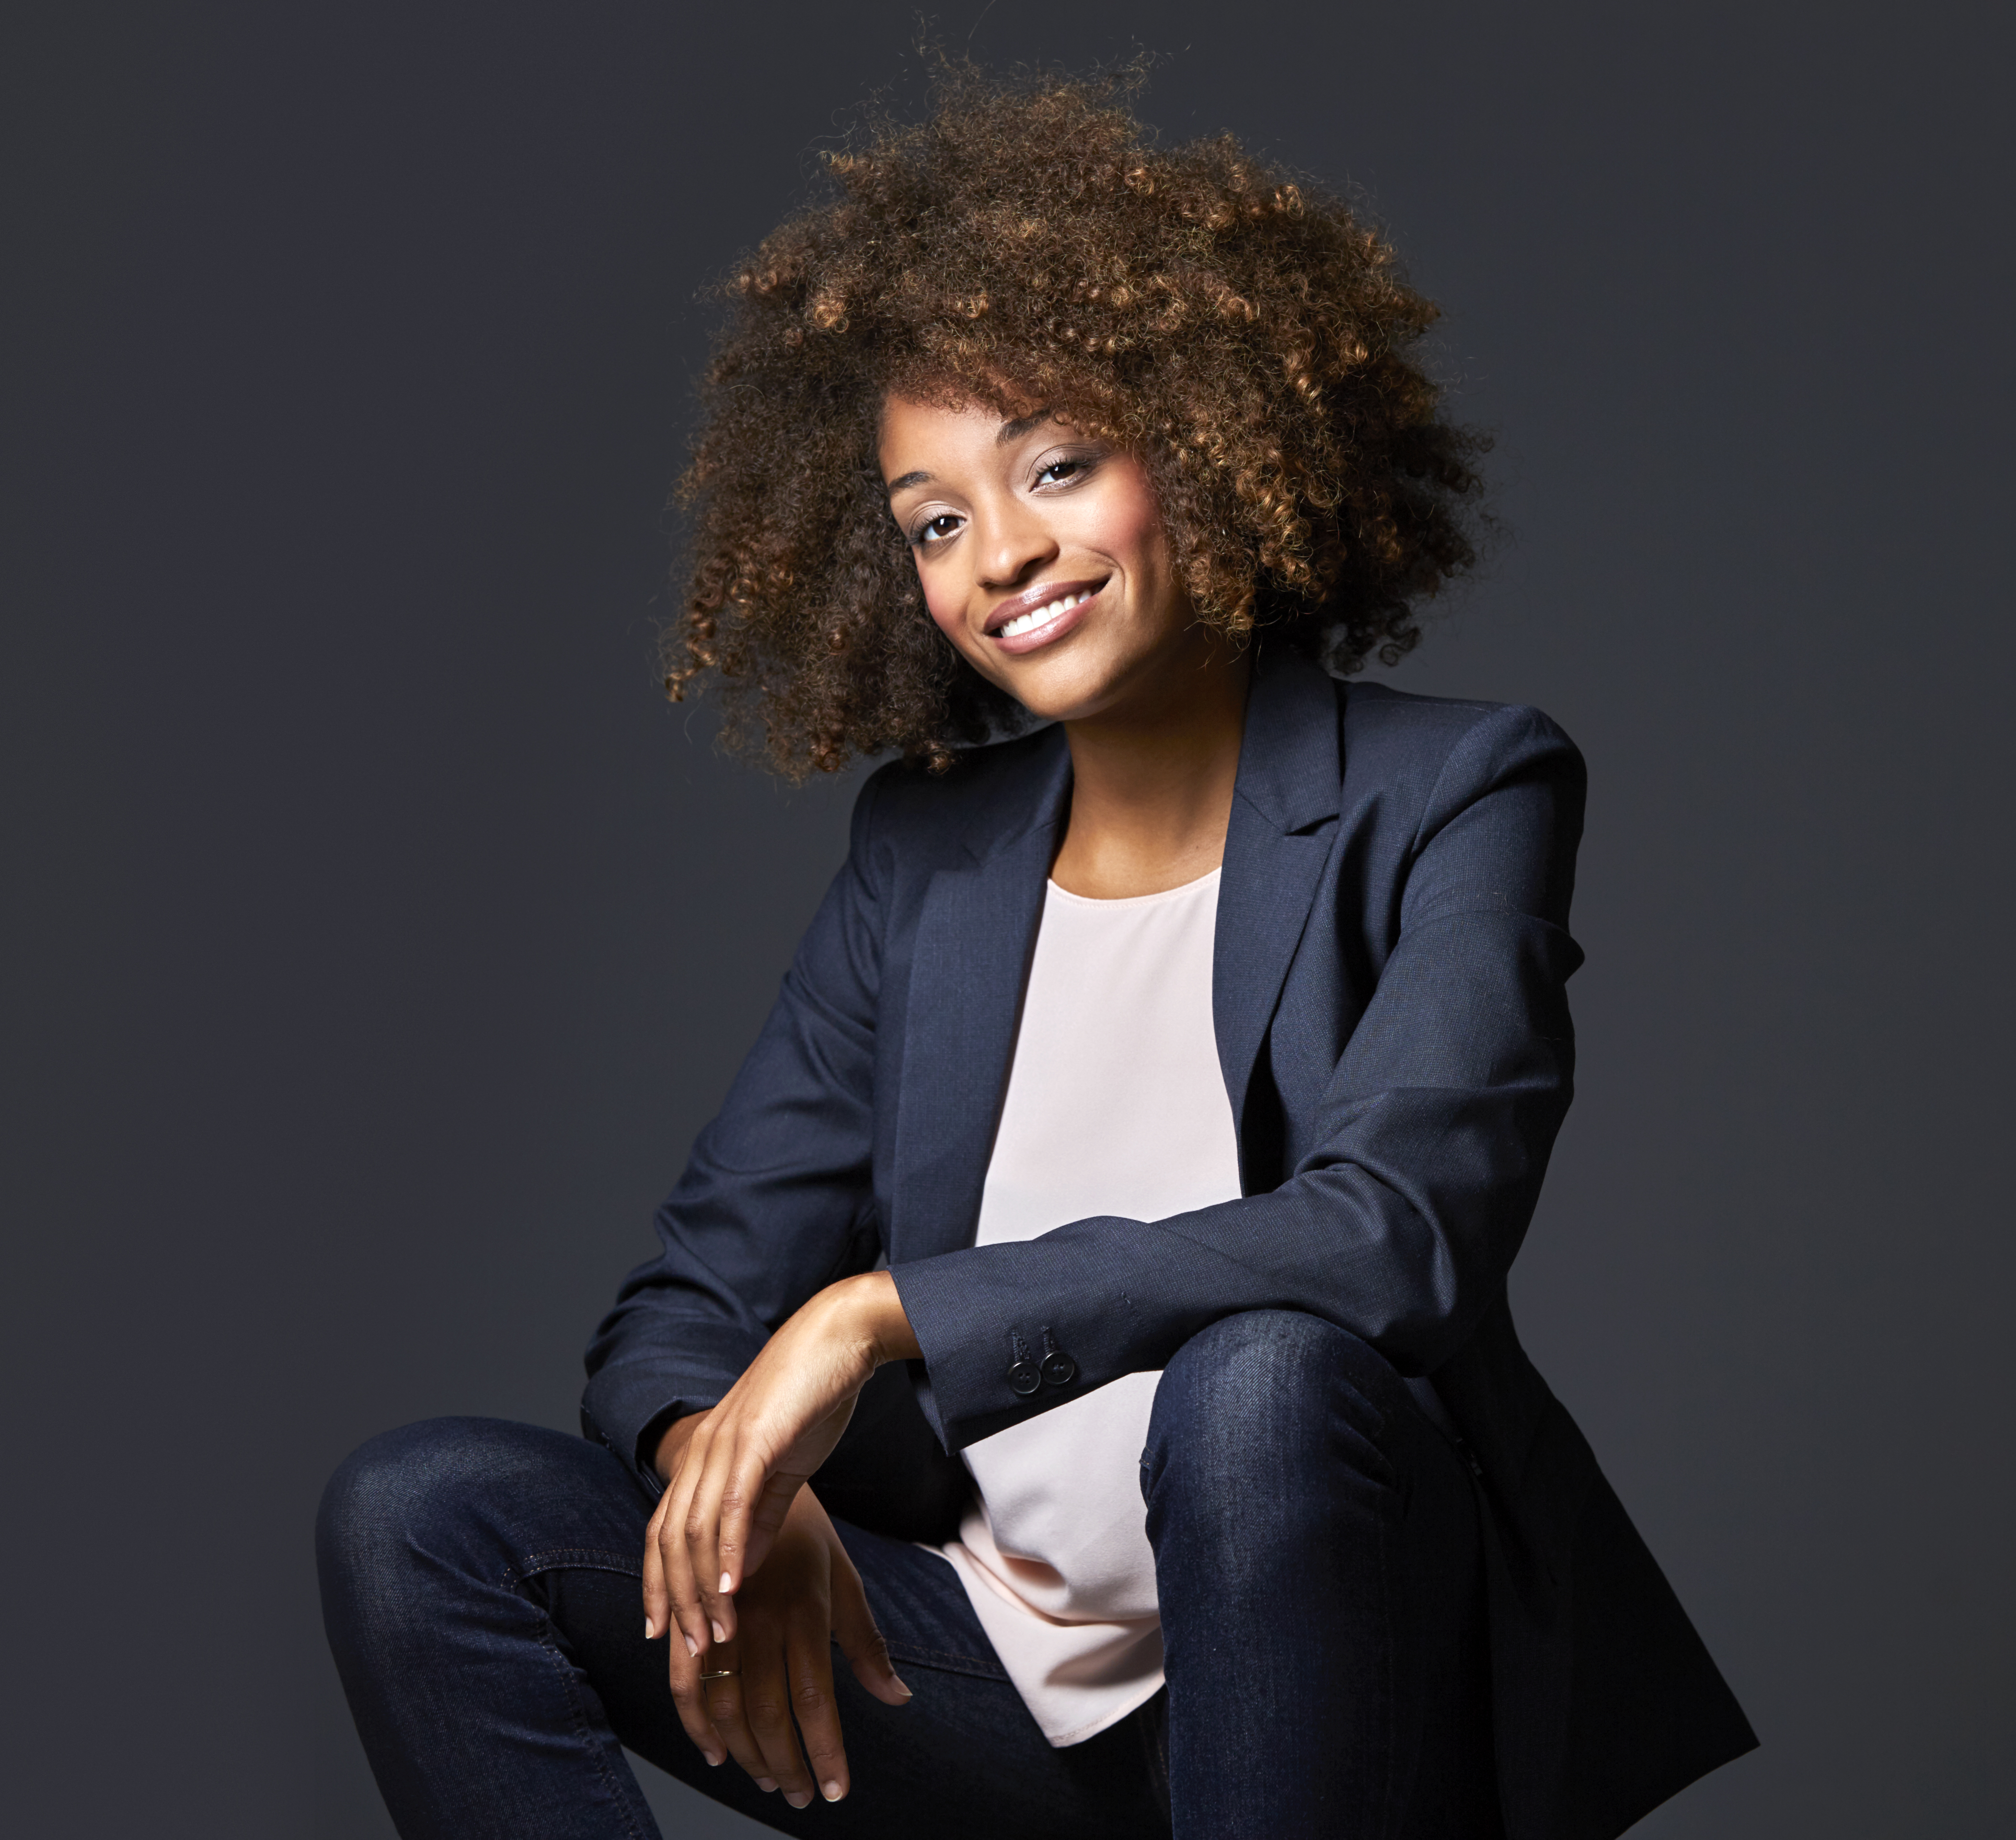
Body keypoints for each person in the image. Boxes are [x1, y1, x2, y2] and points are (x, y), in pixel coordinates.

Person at [318, 69, 1753, 1839]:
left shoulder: (1454, 785)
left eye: (1057, 464)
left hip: (1347, 1683)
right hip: (987, 1674)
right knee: (423, 1518)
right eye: (934, 519)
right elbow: (684, 1309)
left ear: (1211, 451)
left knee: (1263, 1374)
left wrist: (878, 1317)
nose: (1002, 553)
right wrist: (726, 1470)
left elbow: (1396, 1238)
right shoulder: (926, 855)